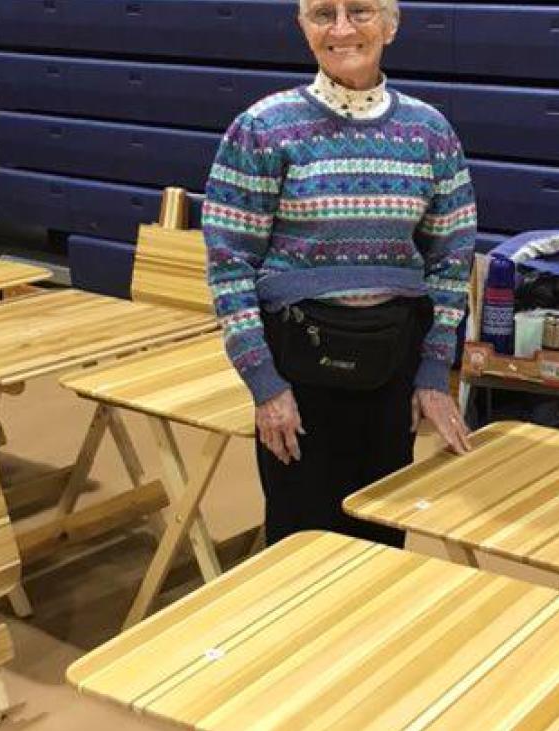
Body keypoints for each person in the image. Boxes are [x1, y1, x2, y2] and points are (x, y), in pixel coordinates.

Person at [203, 0, 476, 546]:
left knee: (381, 533)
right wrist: (264, 385)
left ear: (391, 26)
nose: (343, 28)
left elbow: (451, 259)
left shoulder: (430, 132)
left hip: (393, 364)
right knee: (301, 539)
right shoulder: (262, 128)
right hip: (298, 373)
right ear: (303, 29)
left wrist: (433, 373)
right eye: (323, 14)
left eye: (361, 11)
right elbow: (229, 263)